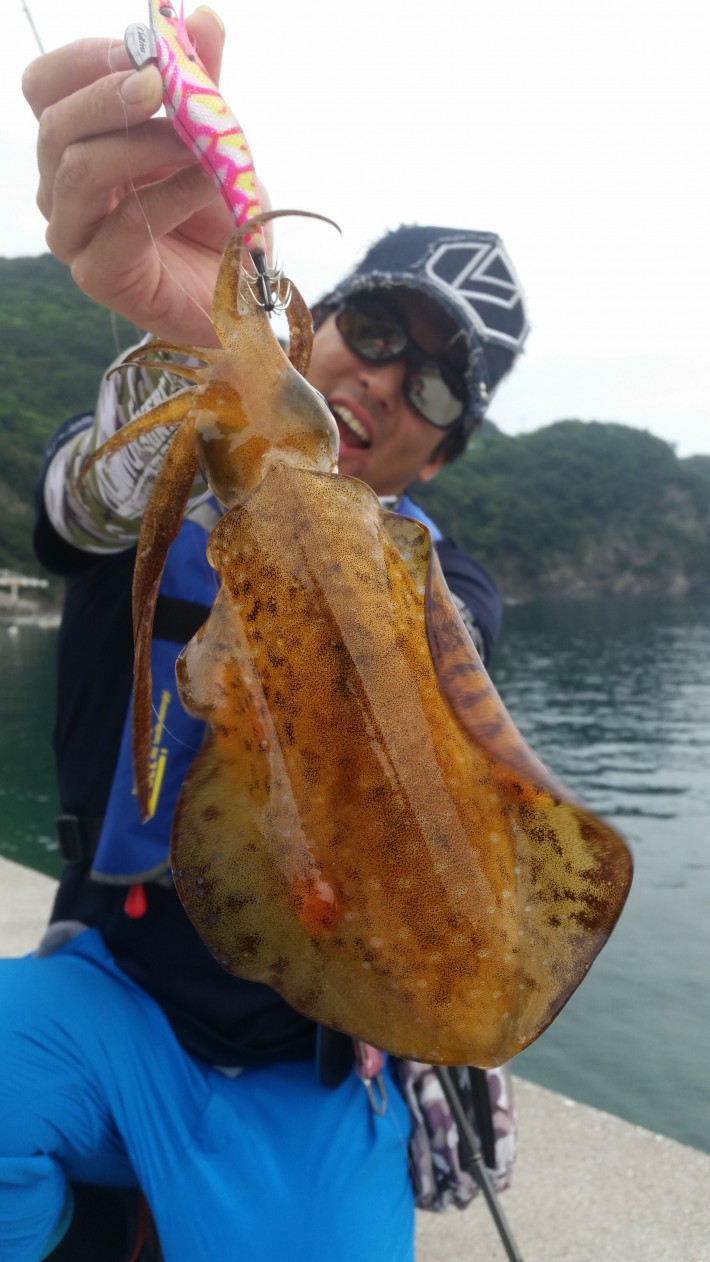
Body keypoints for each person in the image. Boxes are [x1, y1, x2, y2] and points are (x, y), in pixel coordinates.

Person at [1, 14, 529, 1262]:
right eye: (378, 329)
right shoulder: (165, 453)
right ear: (319, 323)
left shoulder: (444, 588)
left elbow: (444, 650)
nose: (386, 379)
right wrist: (194, 346)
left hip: (308, 1061)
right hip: (114, 992)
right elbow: (77, 504)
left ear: (437, 455)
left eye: (435, 385)